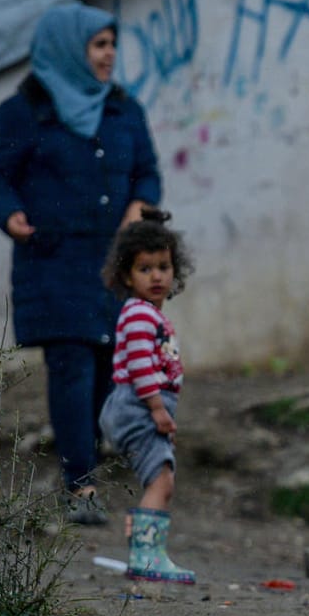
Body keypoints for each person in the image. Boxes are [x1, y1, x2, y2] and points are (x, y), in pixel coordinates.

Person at [0, 3, 162, 524]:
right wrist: (9, 213)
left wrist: (138, 206)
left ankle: (89, 467)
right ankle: (78, 486)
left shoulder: (123, 109)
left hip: (112, 263)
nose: (108, 56)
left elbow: (147, 172)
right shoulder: (25, 111)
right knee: (72, 366)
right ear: (67, 49)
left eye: (111, 45)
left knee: (109, 365)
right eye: (98, 45)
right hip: (54, 260)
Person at [98, 210, 195, 583]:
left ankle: (145, 548)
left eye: (163, 266)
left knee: (160, 479)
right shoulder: (139, 315)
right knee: (161, 482)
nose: (156, 276)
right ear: (126, 275)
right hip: (139, 407)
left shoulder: (148, 314)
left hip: (142, 407)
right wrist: (157, 409)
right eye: (145, 268)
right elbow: (140, 368)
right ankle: (146, 557)